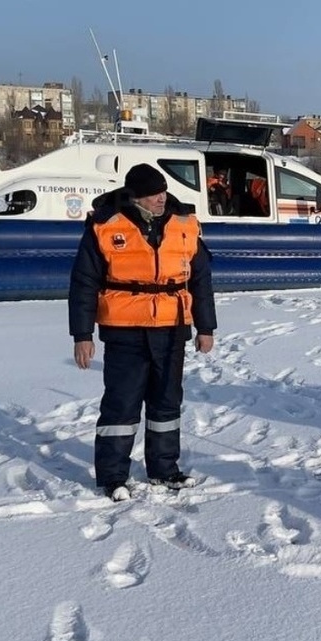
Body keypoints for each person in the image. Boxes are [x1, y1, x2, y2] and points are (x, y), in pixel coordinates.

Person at [68, 162, 217, 501]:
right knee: (121, 405)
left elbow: (201, 280)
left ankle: (164, 470)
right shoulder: (105, 226)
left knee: (166, 404)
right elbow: (83, 283)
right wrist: (82, 335)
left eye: (162, 191)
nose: (161, 199)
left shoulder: (185, 225)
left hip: (172, 327)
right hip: (124, 330)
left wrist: (205, 326)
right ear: (136, 198)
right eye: (153, 195)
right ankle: (112, 476)